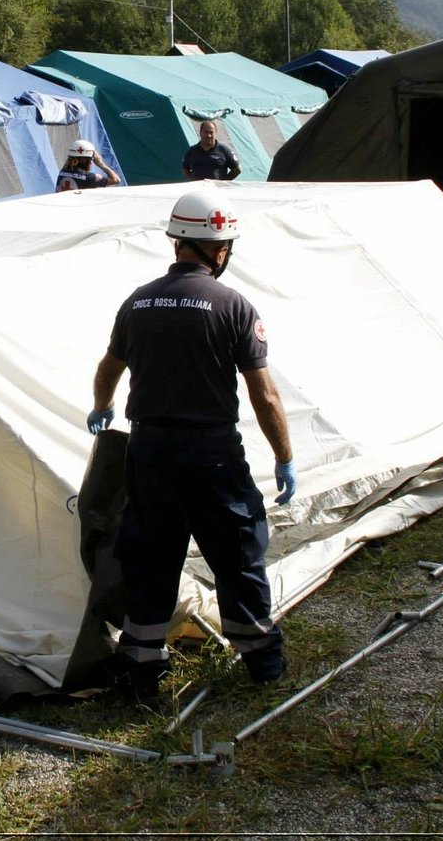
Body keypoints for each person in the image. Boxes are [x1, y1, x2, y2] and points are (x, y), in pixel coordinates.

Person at [87, 190, 296, 703]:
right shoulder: (233, 306)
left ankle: (141, 667)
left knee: (150, 554)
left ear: (179, 243)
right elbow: (263, 392)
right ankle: (261, 659)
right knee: (237, 549)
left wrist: (102, 406)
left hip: (149, 449)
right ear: (218, 248)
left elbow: (109, 366)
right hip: (211, 452)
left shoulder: (138, 301)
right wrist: (284, 456)